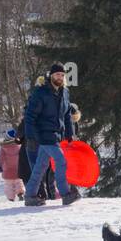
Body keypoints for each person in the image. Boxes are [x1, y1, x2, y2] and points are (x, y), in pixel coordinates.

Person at [24, 63, 80, 207]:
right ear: (51, 76)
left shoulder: (65, 92)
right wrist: (33, 136)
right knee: (61, 161)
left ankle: (30, 195)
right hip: (44, 135)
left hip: (56, 135)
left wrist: (70, 135)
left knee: (41, 166)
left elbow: (67, 115)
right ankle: (66, 194)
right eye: (57, 75)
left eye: (62, 75)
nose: (60, 78)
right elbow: (30, 116)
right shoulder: (41, 93)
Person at [0, 129, 24, 201]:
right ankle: (20, 193)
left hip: (7, 170)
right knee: (19, 182)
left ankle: (10, 198)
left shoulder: (4, 148)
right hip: (18, 169)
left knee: (8, 185)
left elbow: (1, 158)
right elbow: (22, 155)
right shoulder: (18, 146)